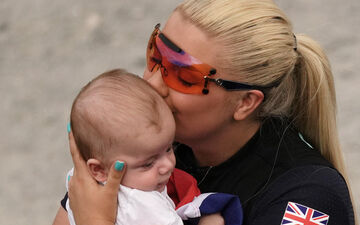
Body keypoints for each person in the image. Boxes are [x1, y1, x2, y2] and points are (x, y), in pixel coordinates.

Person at [53, 0, 356, 225]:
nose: (153, 82)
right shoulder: (149, 140)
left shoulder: (307, 196)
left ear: (245, 102)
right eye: (155, 55)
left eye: (184, 76)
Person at [64, 68, 183, 225]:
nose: (168, 165)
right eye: (148, 163)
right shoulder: (149, 209)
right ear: (99, 170)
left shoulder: (80, 183)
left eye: (169, 148)